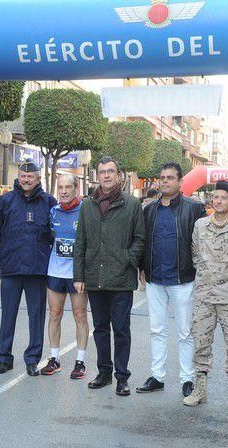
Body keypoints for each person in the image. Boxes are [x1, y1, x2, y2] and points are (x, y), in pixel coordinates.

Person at [73, 156, 145, 396]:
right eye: (102, 171)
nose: (106, 175)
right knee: (100, 328)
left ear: (119, 175)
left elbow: (140, 239)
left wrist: (127, 258)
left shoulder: (133, 204)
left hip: (121, 278)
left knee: (121, 329)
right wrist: (79, 276)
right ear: (97, 175)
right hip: (94, 277)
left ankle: (122, 377)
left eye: (110, 171)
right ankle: (104, 372)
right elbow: (80, 242)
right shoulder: (87, 205)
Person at [137, 162, 205, 397]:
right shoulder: (149, 210)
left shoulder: (193, 209)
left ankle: (187, 378)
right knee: (157, 329)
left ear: (179, 182)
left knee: (185, 332)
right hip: (155, 278)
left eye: (169, 178)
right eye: (162, 177)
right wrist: (141, 267)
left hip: (183, 278)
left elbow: (200, 244)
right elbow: (142, 241)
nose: (164, 181)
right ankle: (157, 376)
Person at [185, 180, 228, 411]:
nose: (218, 201)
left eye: (223, 198)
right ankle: (200, 388)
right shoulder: (200, 225)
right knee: (201, 342)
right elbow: (194, 254)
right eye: (215, 197)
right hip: (204, 294)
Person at [0, 161, 56, 376]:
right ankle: (5, 358)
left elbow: (56, 235)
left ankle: (32, 359)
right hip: (11, 267)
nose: (26, 180)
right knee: (8, 315)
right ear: (18, 177)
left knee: (36, 316)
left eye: (31, 177)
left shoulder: (48, 202)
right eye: (23, 176)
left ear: (38, 179)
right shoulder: (5, 201)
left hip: (38, 268)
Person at [41, 173, 90, 379]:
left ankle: (80, 362)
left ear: (76, 189)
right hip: (55, 271)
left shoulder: (86, 211)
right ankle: (54, 358)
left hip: (77, 273)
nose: (63, 191)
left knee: (80, 315)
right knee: (54, 314)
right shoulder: (53, 211)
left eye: (68, 187)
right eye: (60, 187)